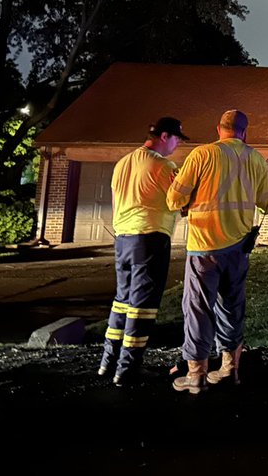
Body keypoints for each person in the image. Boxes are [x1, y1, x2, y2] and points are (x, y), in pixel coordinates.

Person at [166, 108, 268, 393]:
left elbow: (174, 198)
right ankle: (229, 369)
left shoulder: (202, 155)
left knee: (198, 308)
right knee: (231, 307)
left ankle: (196, 375)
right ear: (244, 132)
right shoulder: (256, 159)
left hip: (204, 246)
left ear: (219, 129)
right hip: (238, 248)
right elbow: (267, 204)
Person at [98, 115, 189, 387]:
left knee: (122, 301)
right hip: (149, 238)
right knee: (142, 307)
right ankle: (128, 369)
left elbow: (116, 202)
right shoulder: (163, 166)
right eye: (176, 139)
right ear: (164, 136)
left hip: (123, 238)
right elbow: (179, 202)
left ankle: (108, 362)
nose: (177, 145)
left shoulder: (122, 163)